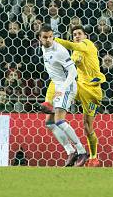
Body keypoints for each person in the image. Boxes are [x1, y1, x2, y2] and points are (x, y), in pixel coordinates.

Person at [41, 26, 106, 167]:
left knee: (87, 127)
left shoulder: (87, 45)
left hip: (92, 92)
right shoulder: (75, 53)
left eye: (79, 34)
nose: (76, 36)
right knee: (50, 122)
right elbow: (66, 69)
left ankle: (93, 157)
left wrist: (55, 40)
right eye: (74, 34)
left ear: (85, 36)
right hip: (79, 87)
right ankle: (71, 151)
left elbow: (70, 47)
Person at [39, 25, 88, 167]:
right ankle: (70, 151)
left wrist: (63, 88)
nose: (48, 40)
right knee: (49, 123)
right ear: (40, 38)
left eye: (50, 37)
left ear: (53, 36)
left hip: (67, 87)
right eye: (45, 37)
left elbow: (73, 72)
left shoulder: (60, 51)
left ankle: (81, 151)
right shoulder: (43, 48)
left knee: (59, 120)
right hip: (57, 86)